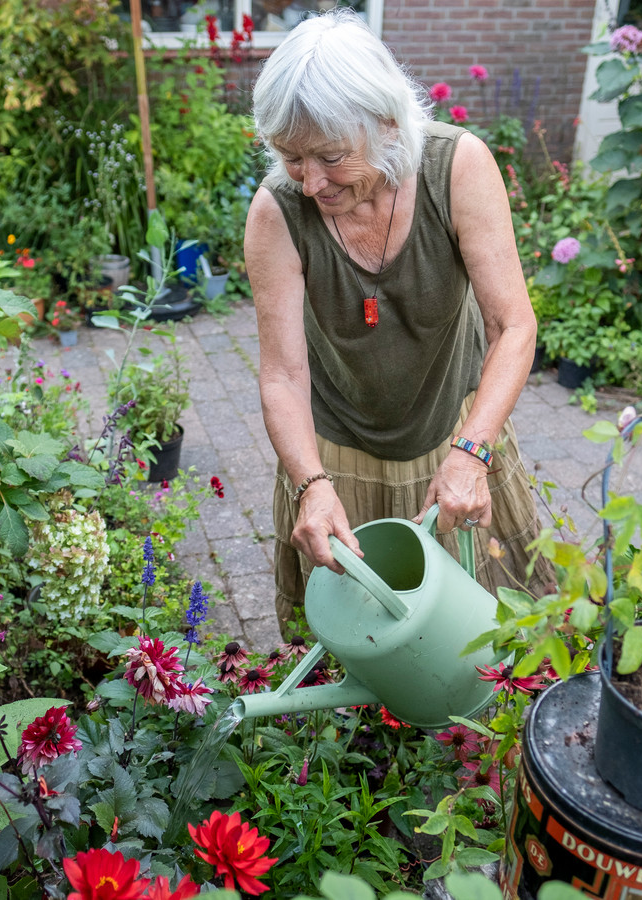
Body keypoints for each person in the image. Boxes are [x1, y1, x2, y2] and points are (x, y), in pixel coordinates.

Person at [245, 9, 554, 629]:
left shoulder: (457, 167)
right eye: (290, 157)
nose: (309, 183)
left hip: (456, 431)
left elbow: (513, 327)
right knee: (361, 646)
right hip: (334, 450)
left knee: (494, 633)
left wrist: (472, 454)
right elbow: (282, 374)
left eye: (330, 157)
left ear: (386, 124)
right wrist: (310, 484)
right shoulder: (275, 213)